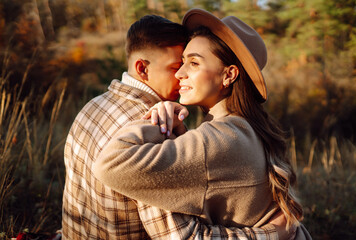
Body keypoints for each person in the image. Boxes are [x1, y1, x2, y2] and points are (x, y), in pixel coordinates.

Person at [62, 14, 288, 239]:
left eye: (192, 63)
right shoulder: (164, 128)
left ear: (229, 75)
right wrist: (270, 234)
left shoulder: (93, 107)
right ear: (142, 69)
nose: (180, 74)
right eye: (176, 66)